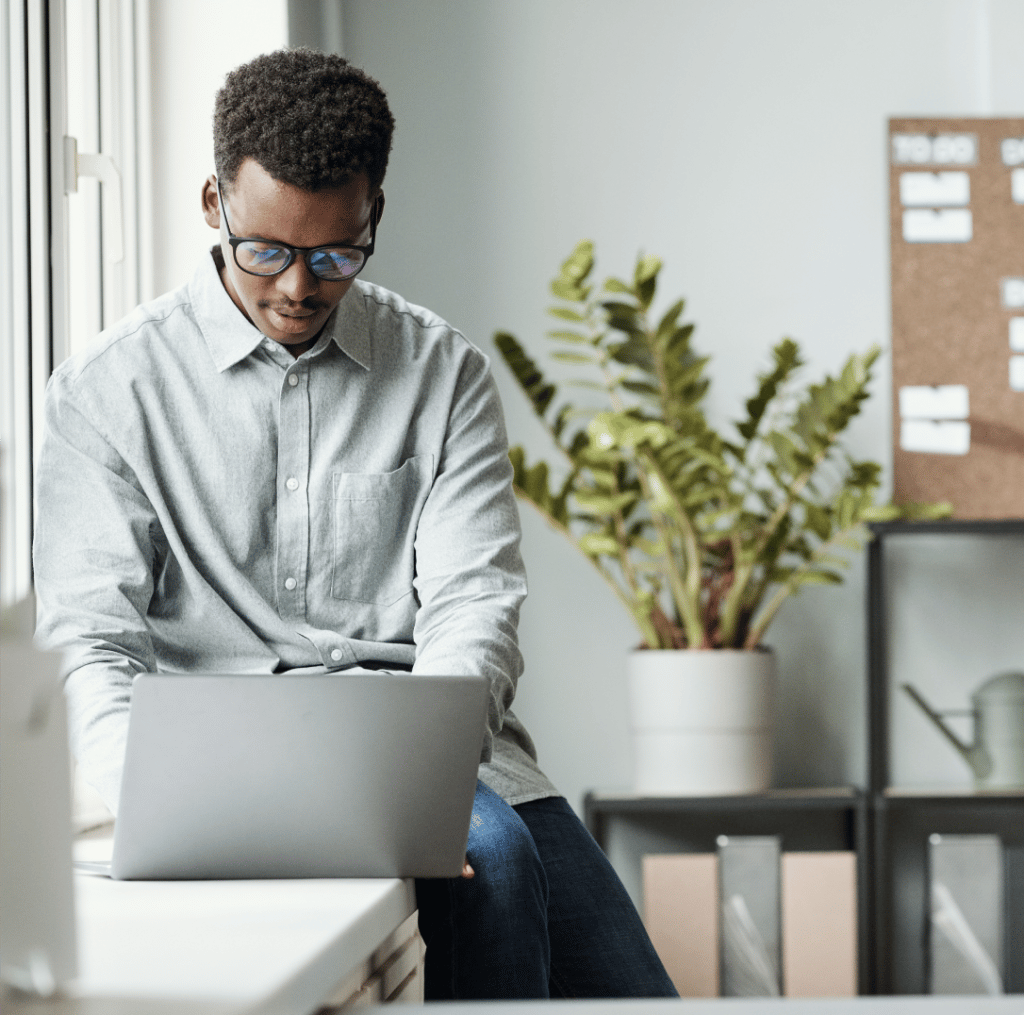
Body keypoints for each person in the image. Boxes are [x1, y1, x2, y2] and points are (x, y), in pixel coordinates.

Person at [33, 48, 677, 1001]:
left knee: (636, 993)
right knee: (493, 864)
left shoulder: (441, 373)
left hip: (424, 744)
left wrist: (419, 779)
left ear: (374, 214)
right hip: (212, 763)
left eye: (335, 255)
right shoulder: (105, 393)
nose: (297, 287)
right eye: (268, 251)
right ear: (214, 204)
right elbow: (89, 639)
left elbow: (476, 606)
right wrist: (151, 799)